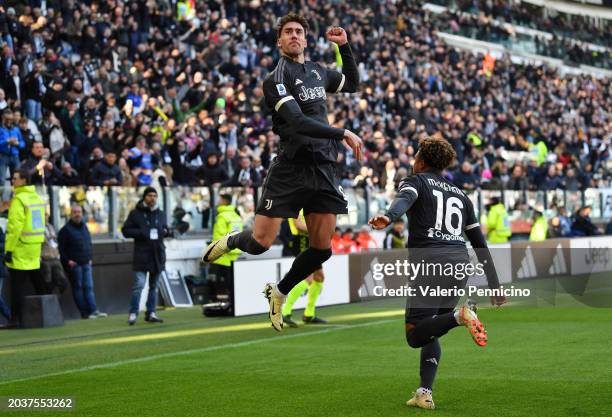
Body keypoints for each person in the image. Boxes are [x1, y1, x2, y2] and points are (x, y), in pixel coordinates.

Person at [201, 13, 363, 331]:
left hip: (324, 169)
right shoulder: (275, 78)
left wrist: (345, 47)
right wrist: (340, 132)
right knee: (262, 242)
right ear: (279, 41)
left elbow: (352, 84)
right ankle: (235, 240)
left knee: (321, 250)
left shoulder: (317, 71)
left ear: (305, 39)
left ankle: (280, 292)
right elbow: (298, 122)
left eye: (298, 31)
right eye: (287, 32)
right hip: (290, 168)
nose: (293, 35)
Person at [369, 138, 505, 410]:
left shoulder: (416, 181)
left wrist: (389, 216)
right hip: (458, 264)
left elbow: (405, 199)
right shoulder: (461, 195)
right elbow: (479, 242)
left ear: (421, 159)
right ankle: (424, 393)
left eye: (416, 154)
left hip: (430, 262)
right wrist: (494, 283)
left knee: (415, 335)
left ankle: (460, 316)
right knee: (432, 329)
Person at [5, 168, 47, 327]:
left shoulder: (19, 200)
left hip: (20, 247)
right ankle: (48, 314)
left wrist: (8, 250)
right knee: (38, 283)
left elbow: (14, 228)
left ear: (23, 180)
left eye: (15, 178)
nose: (12, 181)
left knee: (16, 287)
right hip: (35, 247)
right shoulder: (36, 198)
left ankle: (15, 320)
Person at [122, 187, 170, 325]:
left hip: (157, 255)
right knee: (139, 285)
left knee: (154, 286)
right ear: (144, 197)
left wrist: (165, 232)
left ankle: (151, 313)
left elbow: (165, 229)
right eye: (150, 195)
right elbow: (125, 231)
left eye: (155, 195)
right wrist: (142, 233)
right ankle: (133, 313)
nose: (152, 198)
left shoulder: (161, 213)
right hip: (142, 255)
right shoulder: (135, 214)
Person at [58, 205, 106, 319]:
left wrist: (89, 258)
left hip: (86, 263)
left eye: (79, 212)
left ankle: (93, 311)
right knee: (78, 288)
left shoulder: (84, 227)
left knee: (89, 287)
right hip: (75, 265)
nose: (77, 214)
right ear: (71, 214)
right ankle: (85, 313)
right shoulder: (65, 230)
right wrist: (68, 261)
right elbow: (61, 249)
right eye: (75, 212)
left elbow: (88, 243)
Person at [282, 209, 328, 327]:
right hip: (301, 241)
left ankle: (309, 314)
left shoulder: (310, 203)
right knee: (308, 278)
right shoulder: (297, 204)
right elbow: (298, 225)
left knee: (319, 277)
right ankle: (284, 312)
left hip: (311, 241)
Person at [208, 194, 243, 309]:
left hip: (222, 256)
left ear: (225, 201)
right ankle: (234, 305)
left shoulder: (222, 216)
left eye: (220, 199)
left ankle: (222, 306)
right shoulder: (236, 216)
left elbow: (220, 236)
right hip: (234, 255)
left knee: (220, 284)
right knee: (232, 283)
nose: (218, 201)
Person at [41, 209, 69, 294]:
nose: (47, 216)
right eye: (44, 214)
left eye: (47, 215)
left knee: (63, 282)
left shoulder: (50, 227)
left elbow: (55, 241)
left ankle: (56, 299)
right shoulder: (37, 228)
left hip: (55, 257)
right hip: (45, 259)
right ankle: (51, 301)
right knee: (47, 284)